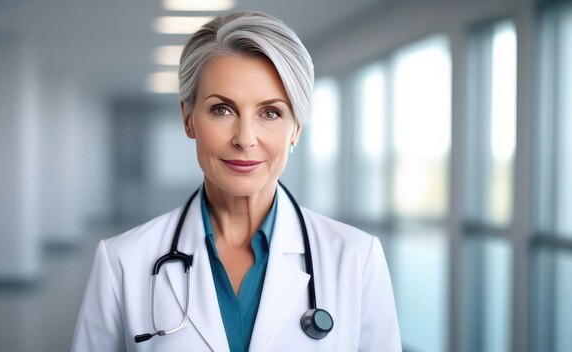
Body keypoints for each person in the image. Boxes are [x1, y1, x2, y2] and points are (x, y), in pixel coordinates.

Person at [72, 11, 401, 352]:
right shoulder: (122, 262)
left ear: (296, 128)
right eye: (222, 110)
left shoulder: (357, 259)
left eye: (270, 112)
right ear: (188, 119)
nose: (245, 138)